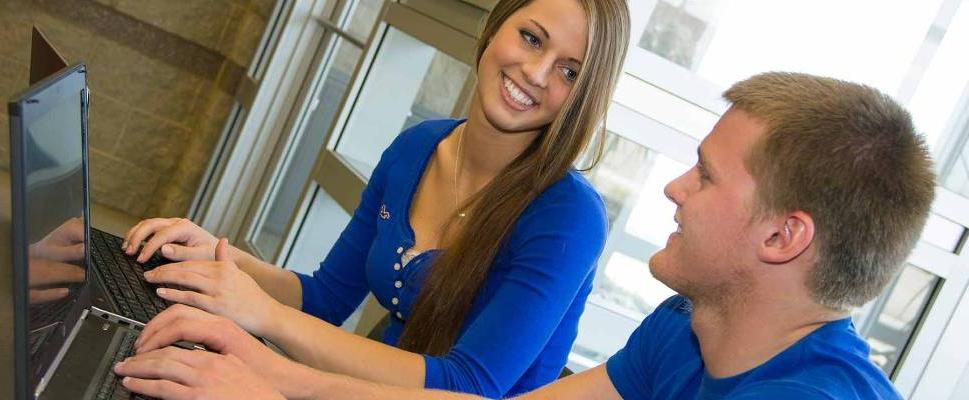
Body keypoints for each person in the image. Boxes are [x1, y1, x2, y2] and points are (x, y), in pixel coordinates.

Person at [115, 71, 934, 399]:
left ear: (784, 237)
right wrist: (264, 372)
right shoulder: (687, 327)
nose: (674, 189)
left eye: (707, 176)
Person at [117, 0, 630, 397]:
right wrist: (224, 259)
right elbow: (324, 298)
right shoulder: (418, 146)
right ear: (495, 26)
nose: (536, 74)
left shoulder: (570, 218)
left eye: (569, 71)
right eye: (531, 38)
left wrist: (263, 315)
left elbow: (466, 386)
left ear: (586, 95)